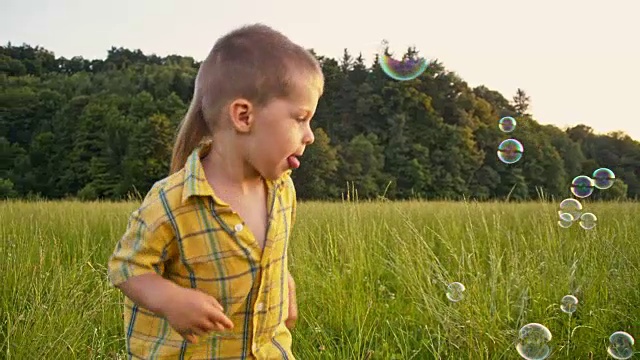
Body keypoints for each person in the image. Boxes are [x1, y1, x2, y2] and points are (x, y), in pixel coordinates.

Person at [107, 23, 323, 359]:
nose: (310, 135)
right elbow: (126, 267)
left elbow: (266, 257)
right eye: (300, 118)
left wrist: (283, 281)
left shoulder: (282, 191)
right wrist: (171, 300)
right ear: (243, 115)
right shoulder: (172, 201)